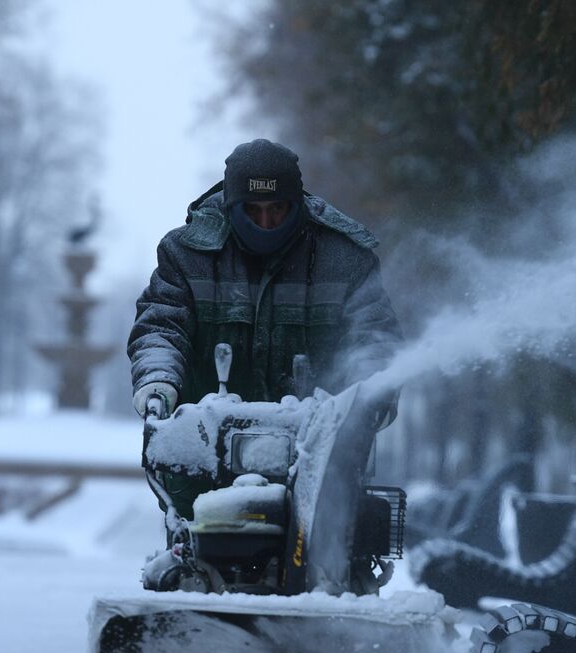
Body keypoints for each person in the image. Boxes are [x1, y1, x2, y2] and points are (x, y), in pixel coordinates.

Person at [128, 138, 402, 516]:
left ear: (297, 204)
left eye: (278, 209)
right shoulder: (186, 254)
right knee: (194, 553)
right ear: (230, 206)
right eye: (253, 211)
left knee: (340, 547)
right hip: (208, 453)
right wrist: (158, 381)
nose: (266, 222)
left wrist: (370, 395)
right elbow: (161, 325)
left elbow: (373, 335)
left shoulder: (345, 257)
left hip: (318, 452)